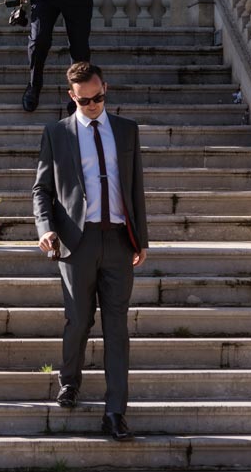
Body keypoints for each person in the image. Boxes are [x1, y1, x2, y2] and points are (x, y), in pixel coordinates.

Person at [31, 61, 149, 442]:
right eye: (85, 100)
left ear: (106, 89)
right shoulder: (57, 133)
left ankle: (115, 413)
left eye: (99, 97)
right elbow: (41, 190)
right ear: (72, 97)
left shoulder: (126, 131)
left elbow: (135, 187)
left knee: (117, 329)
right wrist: (45, 228)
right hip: (76, 242)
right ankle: (70, 381)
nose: (94, 104)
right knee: (78, 320)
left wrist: (141, 238)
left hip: (118, 240)